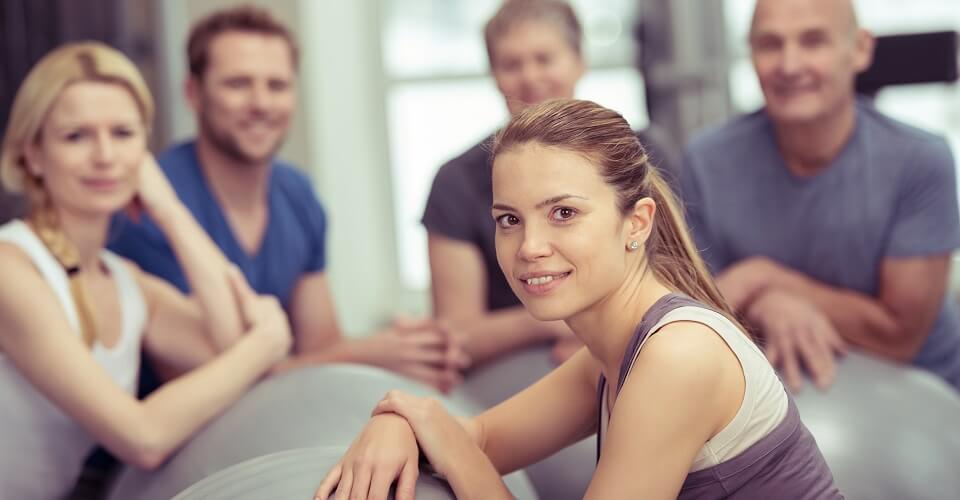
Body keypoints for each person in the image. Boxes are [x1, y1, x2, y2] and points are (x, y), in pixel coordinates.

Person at [315, 99, 841, 500]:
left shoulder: (679, 356)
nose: (530, 247)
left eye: (563, 213)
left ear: (636, 223)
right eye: (509, 220)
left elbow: (461, 448)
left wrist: (436, 432)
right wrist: (398, 418)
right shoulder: (612, 354)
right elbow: (480, 437)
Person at [109, 6, 467, 391]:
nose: (261, 103)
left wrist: (412, 350)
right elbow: (208, 377)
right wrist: (365, 354)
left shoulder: (297, 194)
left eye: (277, 85)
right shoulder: (152, 206)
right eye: (238, 84)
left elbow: (321, 346)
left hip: (274, 415)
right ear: (193, 93)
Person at [0, 41, 292, 499]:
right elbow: (143, 438)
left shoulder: (127, 283)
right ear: (33, 155)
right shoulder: (10, 268)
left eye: (122, 133)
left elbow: (231, 345)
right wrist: (268, 342)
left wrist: (169, 208)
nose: (104, 155)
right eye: (76, 136)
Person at [679, 0, 960, 391]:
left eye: (813, 42)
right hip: (787, 396)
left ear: (860, 49)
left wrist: (761, 277)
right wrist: (765, 302)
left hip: (925, 397)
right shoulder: (705, 161)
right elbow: (699, 310)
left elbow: (898, 337)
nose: (789, 65)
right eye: (770, 44)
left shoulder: (921, 160)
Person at [422, 0, 679, 367]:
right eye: (511, 64)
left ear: (579, 60)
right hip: (521, 365)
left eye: (544, 58)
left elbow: (682, 278)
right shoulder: (456, 181)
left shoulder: (644, 155)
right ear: (493, 74)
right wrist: (561, 321)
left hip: (638, 343)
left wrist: (601, 330)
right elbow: (457, 335)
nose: (530, 76)